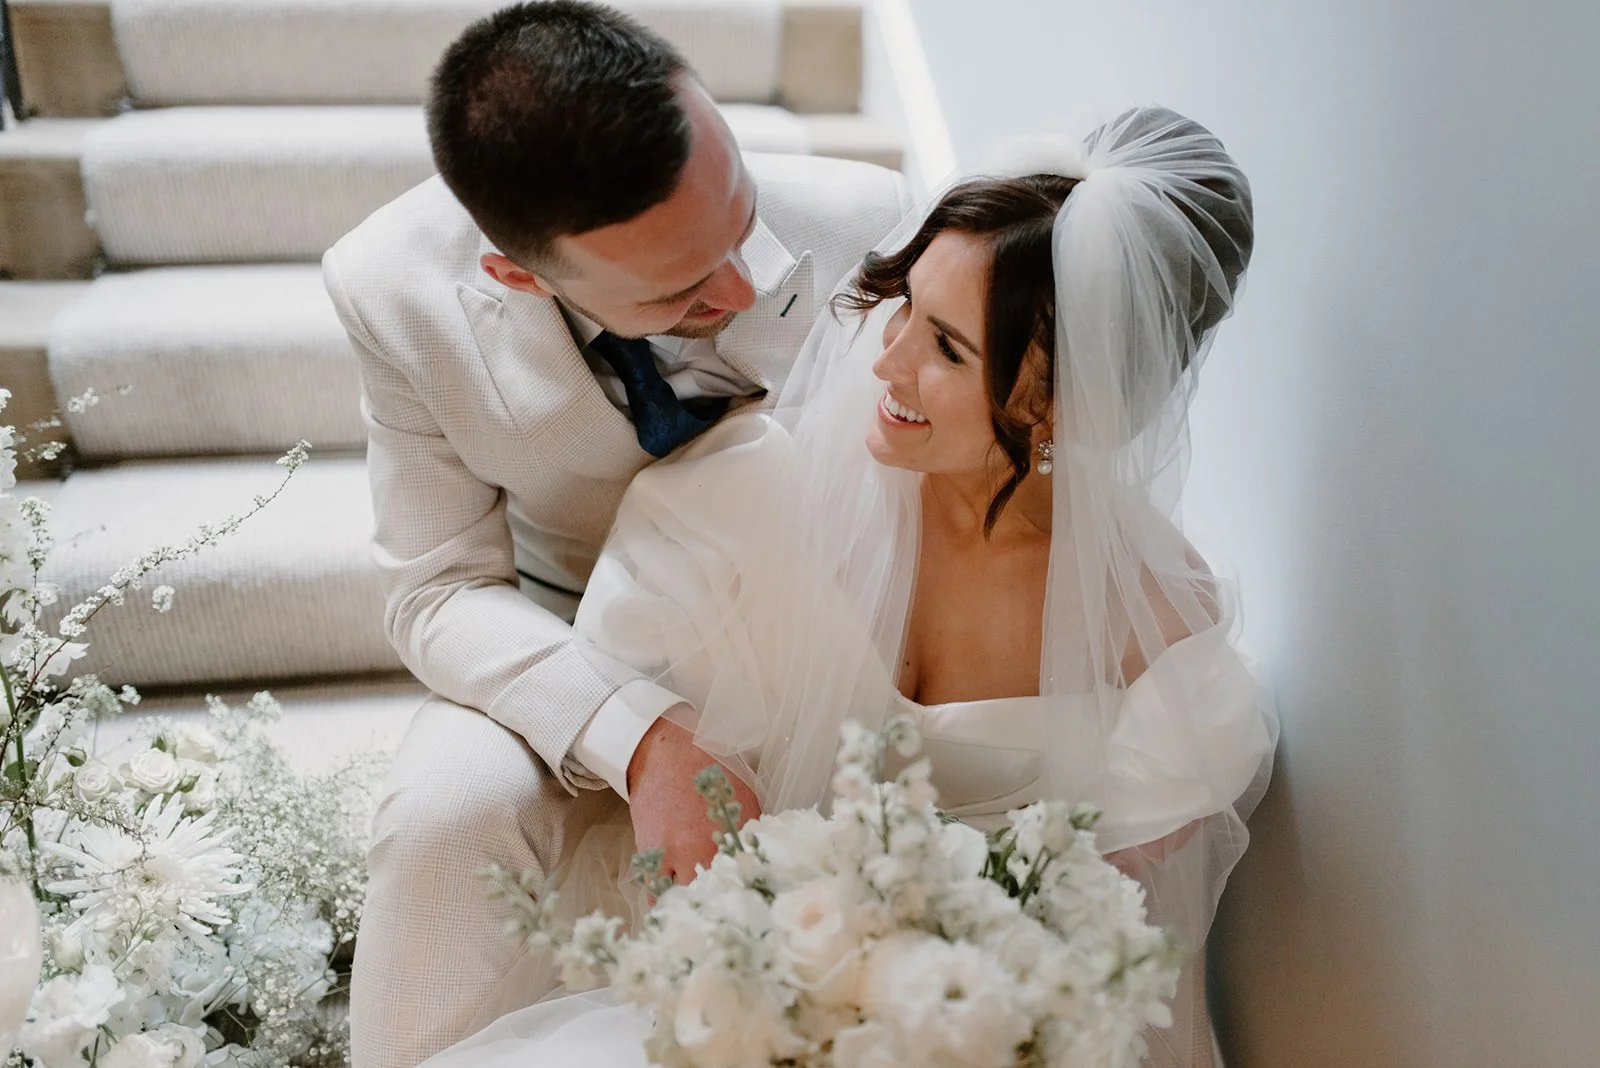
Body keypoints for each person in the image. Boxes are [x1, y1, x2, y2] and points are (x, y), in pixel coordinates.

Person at [420, 106, 1279, 1068]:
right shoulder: (741, 503)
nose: (890, 353)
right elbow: (631, 792)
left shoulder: (1162, 644)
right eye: (904, 300)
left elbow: (1108, 977)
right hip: (728, 993)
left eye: (948, 348)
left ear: (1055, 402)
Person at [320, 2, 911, 1063]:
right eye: (685, 291)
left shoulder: (871, 221)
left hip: (826, 631)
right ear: (519, 274)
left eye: (739, 219)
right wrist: (640, 734)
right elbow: (434, 589)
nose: (743, 285)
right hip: (573, 633)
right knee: (439, 817)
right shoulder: (392, 290)